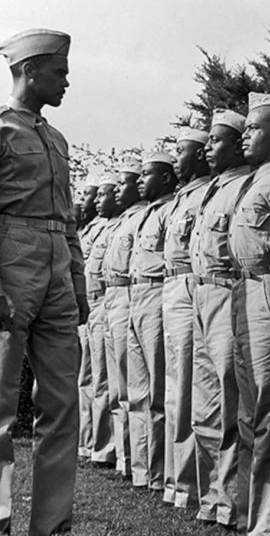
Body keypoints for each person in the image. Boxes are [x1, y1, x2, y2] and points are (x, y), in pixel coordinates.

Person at [0, 28, 88, 536]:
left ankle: (52, 526)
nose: (66, 82)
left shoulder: (55, 139)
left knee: (62, 406)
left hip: (56, 267)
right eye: (60, 72)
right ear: (30, 71)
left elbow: (68, 218)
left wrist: (76, 281)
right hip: (9, 262)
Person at [228, 92, 270, 534]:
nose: (246, 137)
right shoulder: (256, 180)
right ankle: (253, 511)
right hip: (246, 288)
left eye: (256, 129)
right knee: (251, 409)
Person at [188, 109, 253, 527]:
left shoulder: (245, 186)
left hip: (228, 291)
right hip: (201, 292)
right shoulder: (215, 189)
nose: (209, 148)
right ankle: (213, 495)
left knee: (231, 402)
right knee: (206, 403)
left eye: (217, 140)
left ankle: (232, 501)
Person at [161, 126, 211, 508]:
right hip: (171, 287)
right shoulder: (182, 197)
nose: (177, 158)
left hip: (193, 285)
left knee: (189, 389)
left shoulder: (205, 194)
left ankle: (190, 486)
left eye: (181, 151)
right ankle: (176, 482)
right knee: (174, 387)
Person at [127, 151, 178, 493]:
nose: (141, 181)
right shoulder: (147, 215)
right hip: (135, 295)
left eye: (148, 174)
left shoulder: (170, 210)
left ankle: (159, 472)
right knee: (137, 391)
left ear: (164, 178)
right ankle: (142, 470)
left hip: (156, 293)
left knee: (158, 391)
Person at [103, 157, 149, 481]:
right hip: (110, 297)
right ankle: (124, 458)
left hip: (132, 295)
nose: (119, 191)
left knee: (139, 387)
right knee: (118, 385)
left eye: (123, 185)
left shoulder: (141, 218)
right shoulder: (122, 221)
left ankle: (139, 462)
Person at [86, 173, 126, 470]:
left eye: (102, 194)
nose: (98, 200)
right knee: (92, 379)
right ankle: (95, 444)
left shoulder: (123, 223)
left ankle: (112, 450)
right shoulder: (98, 228)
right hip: (96, 303)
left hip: (113, 298)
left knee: (114, 381)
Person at [77, 173, 102, 461]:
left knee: (103, 380)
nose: (85, 202)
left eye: (91, 195)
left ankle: (103, 446)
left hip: (111, 299)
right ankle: (88, 442)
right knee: (86, 378)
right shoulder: (84, 231)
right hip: (89, 303)